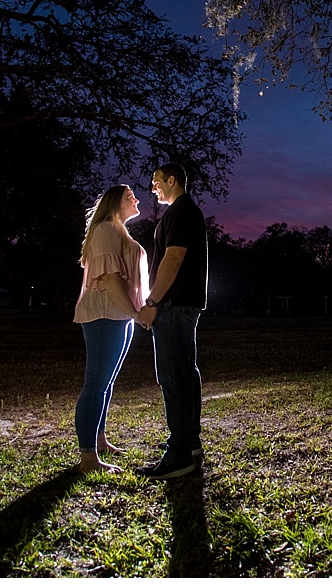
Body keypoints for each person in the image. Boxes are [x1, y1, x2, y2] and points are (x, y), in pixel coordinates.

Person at [135, 163, 209, 480]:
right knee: (185, 373)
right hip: (184, 303)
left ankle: (178, 455)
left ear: (172, 180)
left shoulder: (179, 212)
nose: (153, 188)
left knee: (173, 376)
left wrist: (152, 302)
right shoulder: (186, 211)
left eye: (156, 182)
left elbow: (174, 257)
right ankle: (189, 443)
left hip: (174, 304)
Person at [72, 184, 148, 474]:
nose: (137, 199)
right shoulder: (105, 229)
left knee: (107, 382)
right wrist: (135, 313)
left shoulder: (119, 230)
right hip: (105, 314)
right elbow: (111, 278)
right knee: (95, 384)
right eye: (130, 196)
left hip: (120, 316)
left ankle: (99, 440)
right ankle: (88, 457)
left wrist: (133, 314)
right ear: (115, 202)